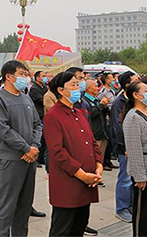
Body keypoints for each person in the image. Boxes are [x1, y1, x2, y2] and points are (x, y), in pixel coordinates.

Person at [44, 71, 103, 237]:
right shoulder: (53, 116)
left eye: (78, 84)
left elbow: (92, 142)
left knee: (79, 225)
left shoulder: (79, 113)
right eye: (73, 85)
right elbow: (57, 152)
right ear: (61, 90)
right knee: (62, 229)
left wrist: (98, 165)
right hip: (68, 182)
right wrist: (82, 174)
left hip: (87, 180)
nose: (78, 88)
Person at [0, 59, 43, 237]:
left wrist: (34, 146)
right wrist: (26, 148)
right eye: (22, 74)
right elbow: (2, 129)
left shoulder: (26, 98)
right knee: (6, 206)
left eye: (26, 74)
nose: (26, 78)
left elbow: (37, 124)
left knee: (24, 205)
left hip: (30, 158)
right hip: (10, 159)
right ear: (9, 77)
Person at [122, 80, 147, 237]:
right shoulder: (133, 117)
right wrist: (139, 176)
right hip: (145, 172)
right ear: (135, 95)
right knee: (143, 212)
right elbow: (133, 148)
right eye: (145, 91)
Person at [109, 71, 136, 223]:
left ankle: (131, 205)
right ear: (127, 85)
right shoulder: (118, 103)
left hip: (135, 146)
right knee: (125, 178)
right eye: (136, 80)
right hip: (125, 147)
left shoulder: (134, 100)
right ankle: (121, 208)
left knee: (133, 178)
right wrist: (125, 146)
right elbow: (117, 128)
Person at [80, 77, 110, 171]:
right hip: (94, 135)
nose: (98, 88)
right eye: (96, 86)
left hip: (102, 133)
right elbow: (91, 114)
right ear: (89, 88)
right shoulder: (84, 101)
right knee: (93, 160)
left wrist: (105, 106)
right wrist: (101, 105)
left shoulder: (96, 99)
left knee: (100, 159)